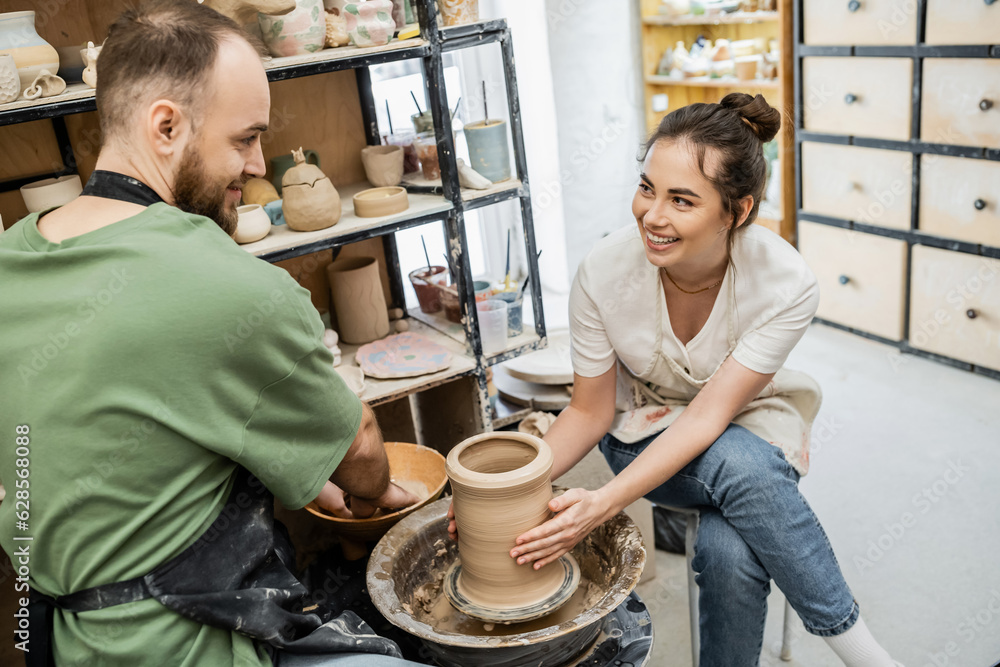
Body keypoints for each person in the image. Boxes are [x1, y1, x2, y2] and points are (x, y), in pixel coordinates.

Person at [0, 2, 423, 665]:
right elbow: (362, 444)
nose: (258, 164)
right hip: (178, 641)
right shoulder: (226, 282)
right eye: (245, 138)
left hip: (54, 639)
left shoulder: (14, 260)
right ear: (165, 125)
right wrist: (371, 492)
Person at [492, 94, 903, 666]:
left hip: (748, 421)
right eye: (646, 188)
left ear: (737, 211)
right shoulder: (603, 272)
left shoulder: (785, 282)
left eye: (682, 200)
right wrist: (505, 489)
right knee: (746, 470)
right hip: (643, 430)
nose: (652, 216)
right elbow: (588, 412)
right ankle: (865, 655)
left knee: (731, 549)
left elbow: (713, 415)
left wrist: (602, 505)